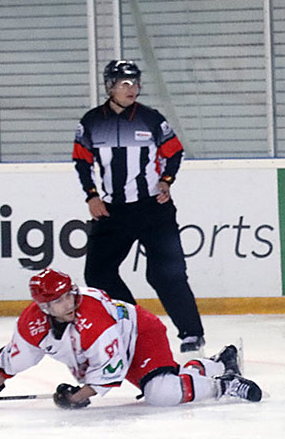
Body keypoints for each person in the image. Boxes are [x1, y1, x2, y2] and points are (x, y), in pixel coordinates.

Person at [0, 269, 260, 410]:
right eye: (58, 301)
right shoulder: (31, 323)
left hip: (140, 334)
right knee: (162, 384)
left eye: (69, 295)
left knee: (161, 394)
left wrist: (77, 397)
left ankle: (225, 384)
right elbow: (17, 359)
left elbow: (109, 371)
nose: (68, 304)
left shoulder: (94, 321)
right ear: (43, 307)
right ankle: (217, 364)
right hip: (120, 348)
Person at [74, 59, 205, 354]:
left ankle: (192, 334)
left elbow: (175, 152)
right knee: (97, 274)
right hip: (113, 211)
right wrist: (92, 196)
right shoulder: (92, 121)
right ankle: (135, 324)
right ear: (110, 87)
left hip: (153, 210)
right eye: (125, 83)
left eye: (135, 82)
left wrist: (167, 181)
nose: (132, 88)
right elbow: (81, 162)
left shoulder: (151, 119)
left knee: (166, 273)